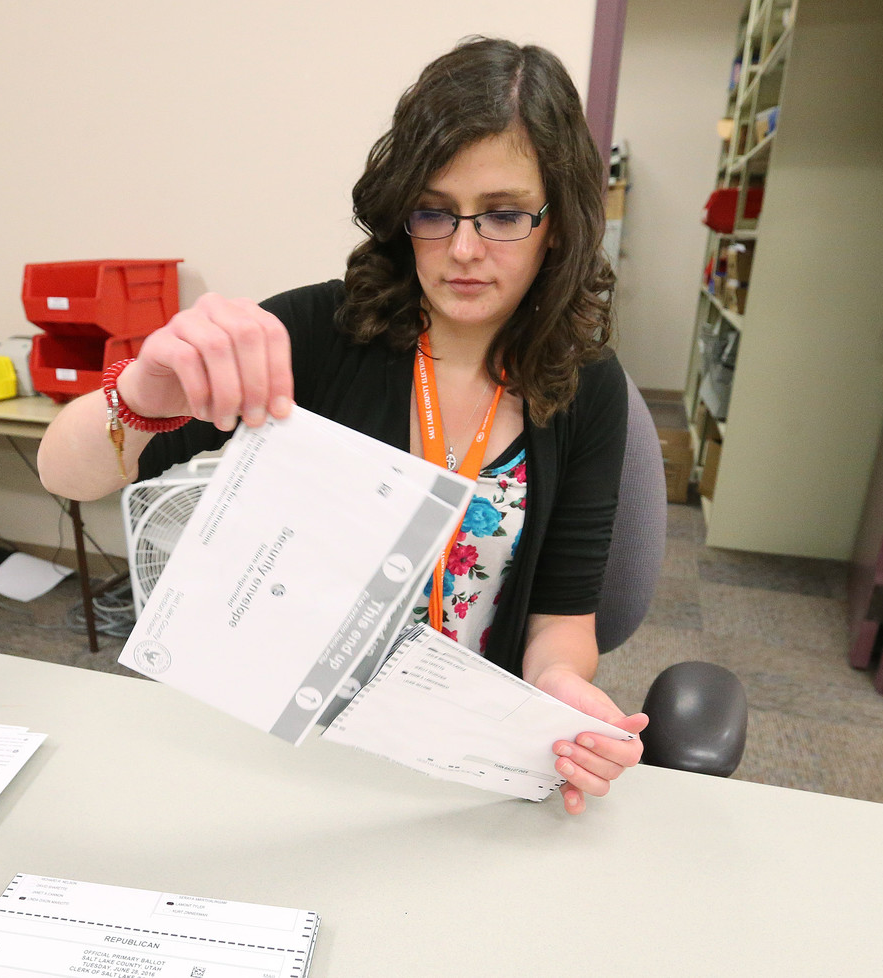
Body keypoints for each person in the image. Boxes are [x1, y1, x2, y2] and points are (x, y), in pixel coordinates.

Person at [37, 37, 647, 815]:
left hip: (452, 761)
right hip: (278, 746)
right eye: (434, 210)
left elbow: (561, 623)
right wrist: (147, 387)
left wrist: (562, 690)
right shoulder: (317, 334)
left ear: (556, 223)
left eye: (502, 215)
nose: (463, 249)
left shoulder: (584, 383)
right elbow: (64, 472)